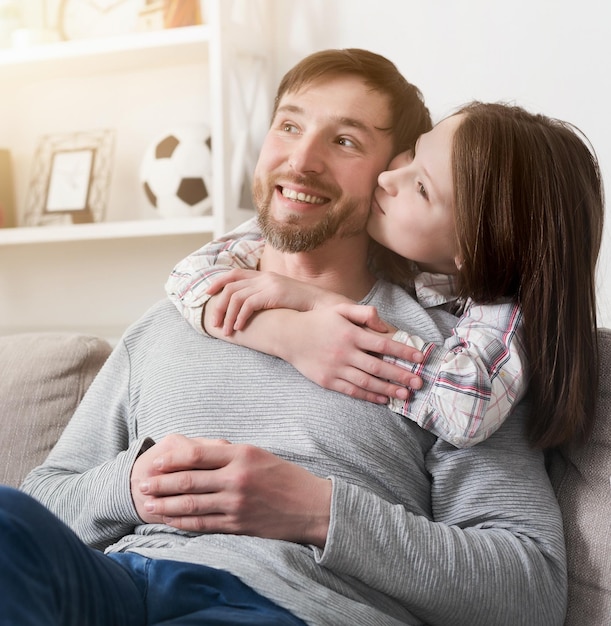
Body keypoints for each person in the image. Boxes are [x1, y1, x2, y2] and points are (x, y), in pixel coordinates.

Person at [0, 49, 584, 626]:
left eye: (346, 140)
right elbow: (45, 498)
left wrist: (318, 513)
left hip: (291, 605)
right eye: (289, 125)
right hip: (125, 585)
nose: (301, 160)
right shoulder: (168, 322)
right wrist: (129, 486)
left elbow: (528, 587)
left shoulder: (450, 366)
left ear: (389, 170)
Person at [165, 102, 602, 450]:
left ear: (470, 248)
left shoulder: (503, 316)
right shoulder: (380, 242)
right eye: (411, 152)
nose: (389, 177)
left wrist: (320, 304)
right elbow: (189, 273)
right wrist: (286, 334)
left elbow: (468, 404)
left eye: (422, 188)